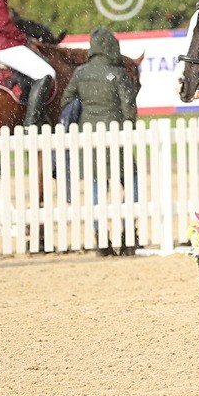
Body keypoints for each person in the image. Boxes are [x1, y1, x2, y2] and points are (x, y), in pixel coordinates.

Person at [60, 26, 139, 253]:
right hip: (117, 138)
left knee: (96, 187)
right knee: (131, 184)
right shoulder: (119, 74)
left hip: (89, 138)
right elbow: (129, 108)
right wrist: (127, 127)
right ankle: (127, 233)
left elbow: (67, 99)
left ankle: (99, 235)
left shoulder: (80, 73)